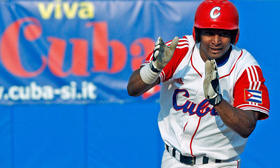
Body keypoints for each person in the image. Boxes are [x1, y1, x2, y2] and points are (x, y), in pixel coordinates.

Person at [127, 0, 270, 167]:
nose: (216, 40)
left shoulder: (245, 67)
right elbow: (133, 89)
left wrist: (217, 101)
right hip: (172, 159)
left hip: (218, 164)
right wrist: (153, 68)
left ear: (234, 36)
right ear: (197, 33)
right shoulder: (179, 51)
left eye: (223, 33)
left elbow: (247, 126)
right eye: (209, 32)